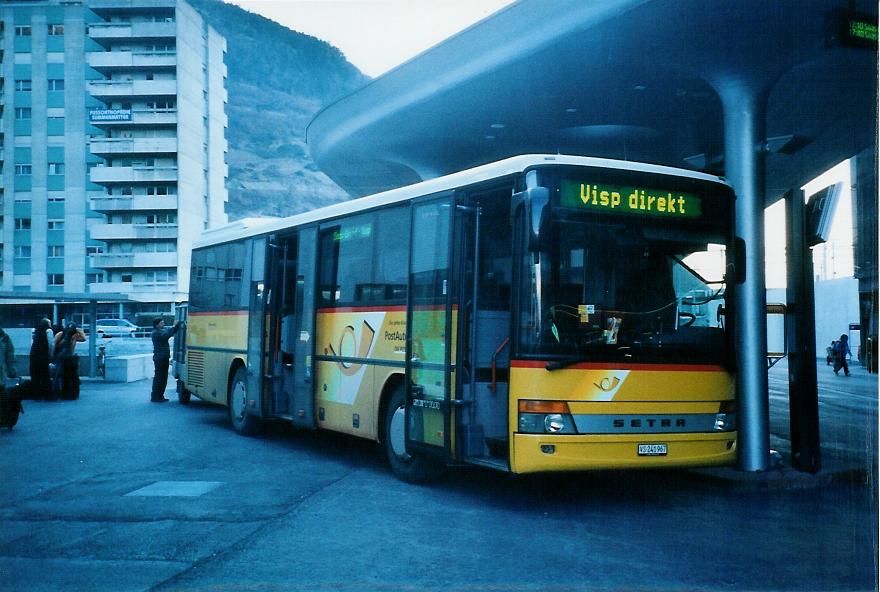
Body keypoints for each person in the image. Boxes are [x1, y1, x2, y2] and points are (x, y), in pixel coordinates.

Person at [151, 317, 182, 403]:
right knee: (159, 378)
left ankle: (160, 396)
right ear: (157, 325)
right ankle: (156, 396)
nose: (163, 324)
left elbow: (169, 332)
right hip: (160, 358)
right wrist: (174, 326)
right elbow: (166, 335)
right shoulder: (156, 333)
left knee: (163, 378)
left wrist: (175, 327)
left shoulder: (159, 331)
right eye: (161, 323)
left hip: (163, 357)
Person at [53, 324, 86, 399]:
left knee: (69, 375)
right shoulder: (61, 334)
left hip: (69, 358)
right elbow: (55, 345)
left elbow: (84, 339)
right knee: (58, 374)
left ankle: (67, 392)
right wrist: (65, 339)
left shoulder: (74, 336)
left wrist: (79, 331)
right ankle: (57, 391)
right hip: (60, 357)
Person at [29, 319, 53, 399]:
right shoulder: (48, 331)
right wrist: (50, 355)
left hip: (33, 356)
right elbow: (50, 345)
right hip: (43, 355)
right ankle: (46, 394)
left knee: (35, 375)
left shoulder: (36, 331)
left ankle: (36, 394)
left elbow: (32, 344)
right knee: (44, 375)